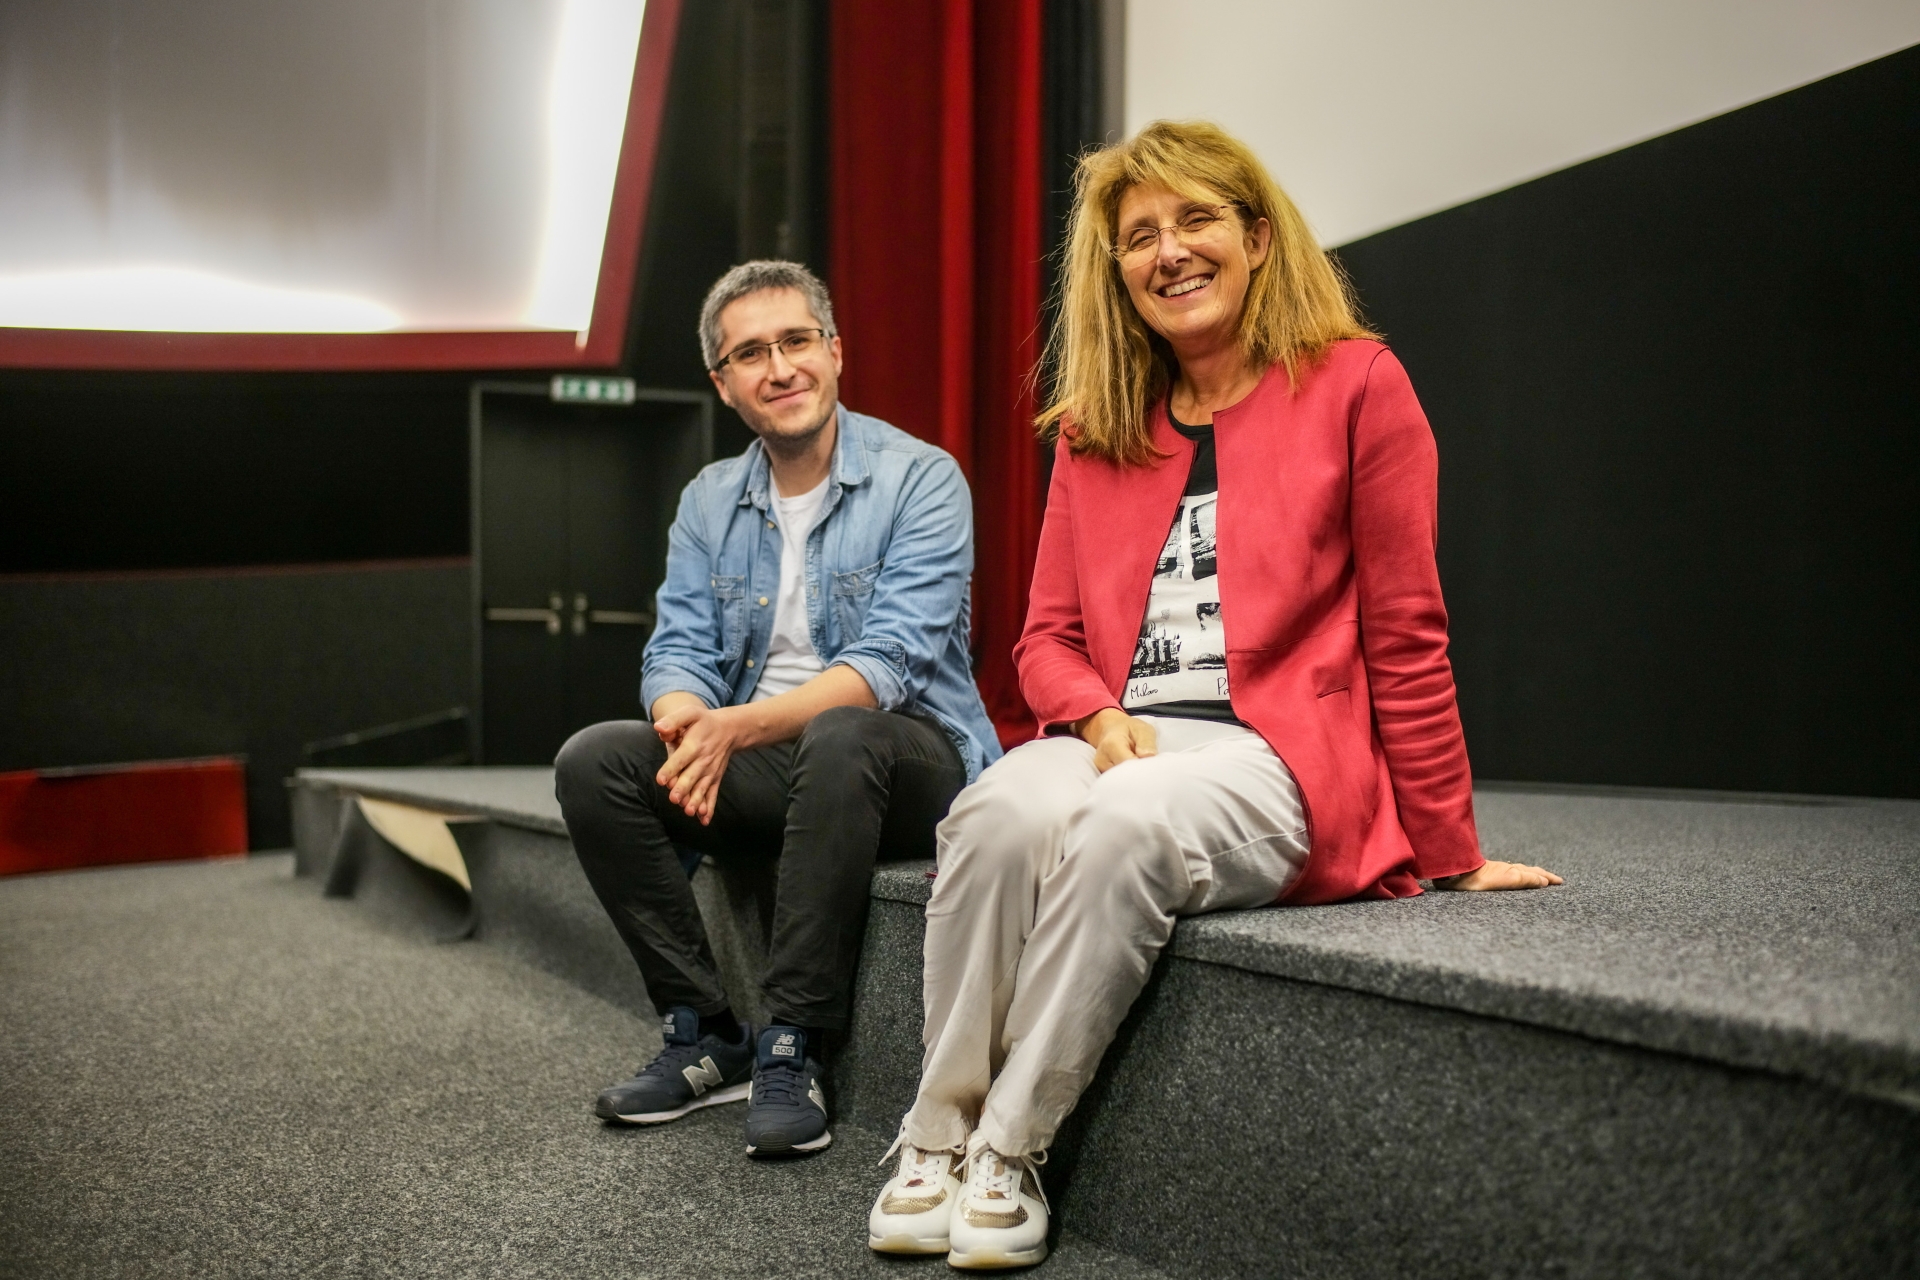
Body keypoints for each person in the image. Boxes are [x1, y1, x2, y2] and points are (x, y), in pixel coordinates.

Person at [866, 122, 1562, 1268]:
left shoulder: (1357, 384)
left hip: (1275, 754)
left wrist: (1450, 845)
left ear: (1253, 234)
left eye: (1195, 220)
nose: (1169, 250)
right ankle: (933, 1134)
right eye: (1140, 235)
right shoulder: (1096, 429)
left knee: (1122, 824)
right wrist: (1095, 715)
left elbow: (1407, 630)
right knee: (993, 811)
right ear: (1118, 272)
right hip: (1122, 733)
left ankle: (1010, 1145)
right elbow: (1043, 640)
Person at [555, 260, 1001, 1158]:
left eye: (797, 341)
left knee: (840, 734)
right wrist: (686, 724)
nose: (779, 367)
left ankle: (793, 1042)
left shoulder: (922, 479)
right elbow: (676, 648)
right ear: (724, 384)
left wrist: (734, 729)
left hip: (907, 760)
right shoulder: (709, 500)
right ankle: (706, 1029)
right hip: (766, 764)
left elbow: (887, 666)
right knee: (595, 760)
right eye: (750, 353)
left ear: (834, 352)